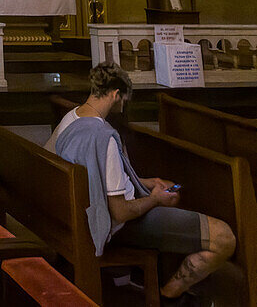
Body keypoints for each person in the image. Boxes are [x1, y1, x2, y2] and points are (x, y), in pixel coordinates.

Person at [47, 63, 236, 302]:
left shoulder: (71, 119)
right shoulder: (103, 137)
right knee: (224, 238)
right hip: (117, 226)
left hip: (79, 215)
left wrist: (144, 182)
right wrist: (155, 198)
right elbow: (121, 211)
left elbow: (98, 174)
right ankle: (169, 295)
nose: (123, 106)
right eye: (123, 100)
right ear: (116, 94)